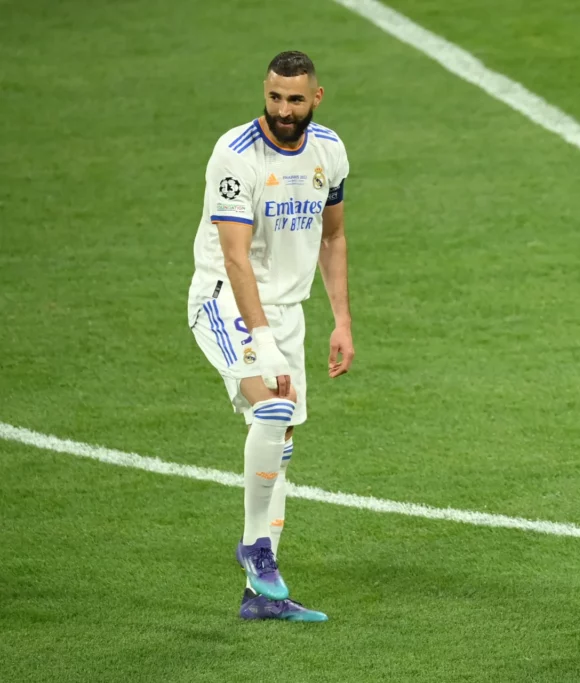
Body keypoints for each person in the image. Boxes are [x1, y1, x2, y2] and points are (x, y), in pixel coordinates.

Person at [186, 51, 353, 622]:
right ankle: (256, 547)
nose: (283, 110)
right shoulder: (235, 156)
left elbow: (332, 237)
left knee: (280, 447)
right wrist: (260, 338)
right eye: (275, 97)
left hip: (286, 311)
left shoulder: (328, 151)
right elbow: (234, 257)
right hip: (226, 299)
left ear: (316, 97)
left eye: (295, 99)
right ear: (265, 91)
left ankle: (259, 599)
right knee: (273, 407)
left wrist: (341, 321)